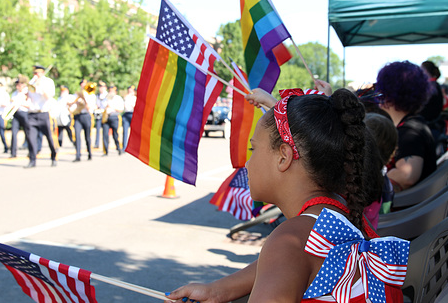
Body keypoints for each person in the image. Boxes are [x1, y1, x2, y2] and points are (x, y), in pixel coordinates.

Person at [165, 88, 408, 303]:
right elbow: (287, 263)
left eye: (254, 149)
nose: (247, 164)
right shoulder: (335, 215)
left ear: (284, 156)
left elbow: (286, 255)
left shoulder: (289, 239)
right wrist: (218, 290)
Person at [375, 61, 437, 191]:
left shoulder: (410, 132)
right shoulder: (414, 124)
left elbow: (407, 176)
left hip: (404, 209)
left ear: (388, 93)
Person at [25, 64, 57, 168]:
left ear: (42, 73)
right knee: (31, 138)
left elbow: (49, 97)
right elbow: (27, 97)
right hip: (32, 114)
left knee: (50, 138)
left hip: (44, 113)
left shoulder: (48, 82)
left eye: (37, 73)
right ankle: (32, 160)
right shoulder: (31, 82)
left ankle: (53, 157)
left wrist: (40, 89)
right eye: (34, 73)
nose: (35, 75)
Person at [69, 79, 96, 162]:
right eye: (82, 84)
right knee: (77, 135)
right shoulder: (77, 95)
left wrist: (83, 99)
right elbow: (71, 106)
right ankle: (78, 155)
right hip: (77, 116)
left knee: (87, 136)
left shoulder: (91, 95)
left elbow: (89, 108)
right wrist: (75, 103)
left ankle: (89, 153)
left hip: (86, 116)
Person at [9, 75, 31, 158]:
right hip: (16, 114)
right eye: (17, 84)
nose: (18, 86)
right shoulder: (14, 93)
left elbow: (29, 105)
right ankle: (13, 152)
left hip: (25, 113)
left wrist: (20, 103)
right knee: (14, 133)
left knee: (28, 133)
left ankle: (31, 151)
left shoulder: (27, 92)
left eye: (20, 84)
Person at [101, 85, 124, 156]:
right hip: (106, 117)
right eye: (110, 90)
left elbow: (121, 109)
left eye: (112, 91)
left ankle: (119, 148)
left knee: (115, 134)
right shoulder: (105, 98)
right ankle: (105, 151)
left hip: (114, 116)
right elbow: (101, 106)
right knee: (105, 134)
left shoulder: (118, 98)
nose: (111, 92)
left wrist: (113, 107)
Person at [122, 85, 136, 152]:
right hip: (126, 113)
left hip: (132, 114)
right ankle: (124, 146)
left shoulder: (134, 98)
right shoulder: (126, 97)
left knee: (134, 131)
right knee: (125, 131)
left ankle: (134, 147)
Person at [93, 81, 107, 149]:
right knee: (97, 129)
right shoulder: (98, 96)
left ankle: (106, 144)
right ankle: (97, 143)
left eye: (102, 87)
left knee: (105, 130)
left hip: (105, 114)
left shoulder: (107, 95)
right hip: (99, 113)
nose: (101, 88)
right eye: (100, 87)